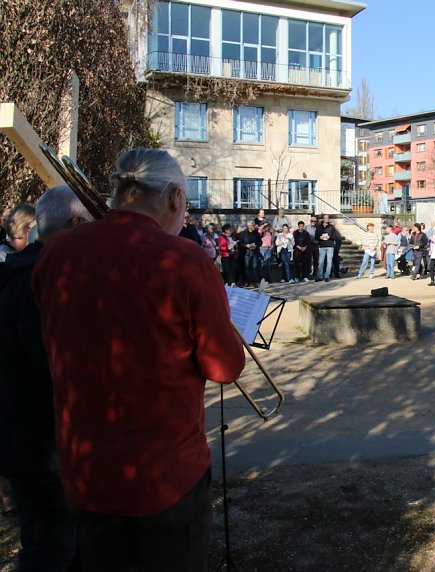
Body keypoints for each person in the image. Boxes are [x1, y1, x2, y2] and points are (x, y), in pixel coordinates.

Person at [32, 149, 246, 571]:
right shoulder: (183, 260)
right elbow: (226, 368)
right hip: (165, 474)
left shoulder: (55, 253)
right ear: (174, 199)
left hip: (85, 468)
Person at [0, 186, 91, 571]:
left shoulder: (17, 271)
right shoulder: (44, 279)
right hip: (42, 442)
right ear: (73, 224)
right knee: (51, 550)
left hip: (22, 433)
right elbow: (54, 364)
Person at [315, 214, 339, 282]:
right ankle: (319, 276)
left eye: (328, 218)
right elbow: (316, 237)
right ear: (323, 219)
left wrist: (330, 237)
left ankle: (327, 276)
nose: (327, 219)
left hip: (330, 246)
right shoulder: (319, 227)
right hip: (322, 246)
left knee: (329, 262)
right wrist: (320, 237)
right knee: (321, 262)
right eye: (325, 218)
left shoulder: (331, 227)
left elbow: (335, 237)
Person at [238, 221, 262, 286]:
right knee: (246, 267)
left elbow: (260, 242)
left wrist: (256, 246)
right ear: (249, 226)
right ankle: (246, 281)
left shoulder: (257, 234)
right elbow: (240, 243)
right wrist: (246, 245)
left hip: (255, 252)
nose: (254, 226)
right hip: (246, 253)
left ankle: (255, 282)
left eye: (254, 225)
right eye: (252, 225)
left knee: (255, 267)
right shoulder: (243, 234)